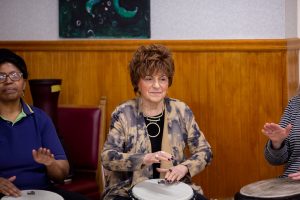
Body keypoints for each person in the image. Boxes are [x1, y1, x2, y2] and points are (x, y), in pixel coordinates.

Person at [101, 44, 212, 200]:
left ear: (169, 81)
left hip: (173, 189)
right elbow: (107, 157)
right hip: (127, 191)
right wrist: (144, 158)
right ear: (137, 82)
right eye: (148, 79)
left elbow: (205, 151)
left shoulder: (181, 110)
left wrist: (184, 168)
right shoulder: (123, 113)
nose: (157, 86)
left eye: (162, 79)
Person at [0, 48, 89, 200]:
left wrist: (51, 164)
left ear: (24, 84)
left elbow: (62, 173)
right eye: (1, 76)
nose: (8, 81)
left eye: (14, 75)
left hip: (41, 192)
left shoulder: (41, 119)